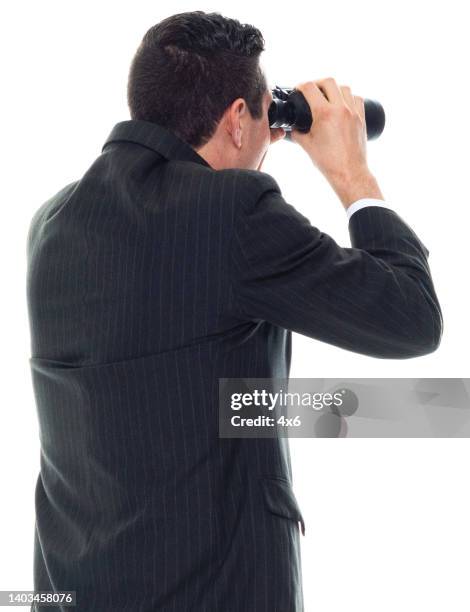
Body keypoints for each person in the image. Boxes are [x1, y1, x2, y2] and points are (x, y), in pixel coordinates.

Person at [26, 10, 442, 612]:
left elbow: (176, 395)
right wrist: (351, 171)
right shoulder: (231, 212)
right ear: (238, 120)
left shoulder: (54, 222)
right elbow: (412, 319)